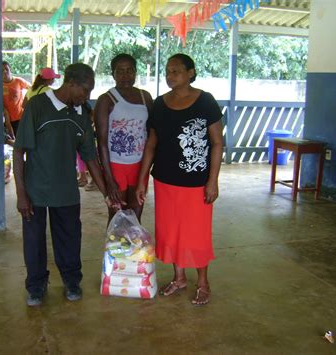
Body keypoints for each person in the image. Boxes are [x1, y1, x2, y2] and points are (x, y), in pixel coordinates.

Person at [13, 63, 117, 307]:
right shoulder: (37, 106)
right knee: (34, 240)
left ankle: (72, 280)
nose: (87, 96)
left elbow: (90, 156)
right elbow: (19, 152)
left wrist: (106, 193)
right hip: (35, 191)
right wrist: (21, 194)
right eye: (85, 90)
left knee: (70, 238)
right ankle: (36, 285)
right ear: (70, 83)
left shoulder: (81, 113)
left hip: (66, 191)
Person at [135, 54, 223, 306]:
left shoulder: (205, 101)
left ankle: (203, 282)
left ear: (190, 72)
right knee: (171, 231)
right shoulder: (160, 104)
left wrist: (213, 181)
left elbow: (217, 143)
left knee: (196, 233)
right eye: (168, 71)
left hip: (196, 182)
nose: (170, 75)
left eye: (176, 71)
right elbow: (151, 144)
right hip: (165, 180)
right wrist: (142, 180)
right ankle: (179, 277)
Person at [94, 53, 152, 222]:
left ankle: (134, 249)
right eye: (120, 71)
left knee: (135, 212)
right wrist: (109, 179)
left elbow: (151, 134)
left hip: (139, 165)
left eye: (130, 70)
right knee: (117, 213)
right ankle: (115, 249)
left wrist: (148, 166)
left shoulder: (145, 97)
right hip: (115, 165)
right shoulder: (106, 100)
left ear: (135, 72)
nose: (125, 75)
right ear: (113, 74)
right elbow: (102, 143)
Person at [2, 61, 30, 138]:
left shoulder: (18, 81)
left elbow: (32, 89)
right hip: (6, 120)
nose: (4, 71)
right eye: (2, 70)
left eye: (6, 69)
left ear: (10, 69)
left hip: (20, 117)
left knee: (21, 141)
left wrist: (27, 100)